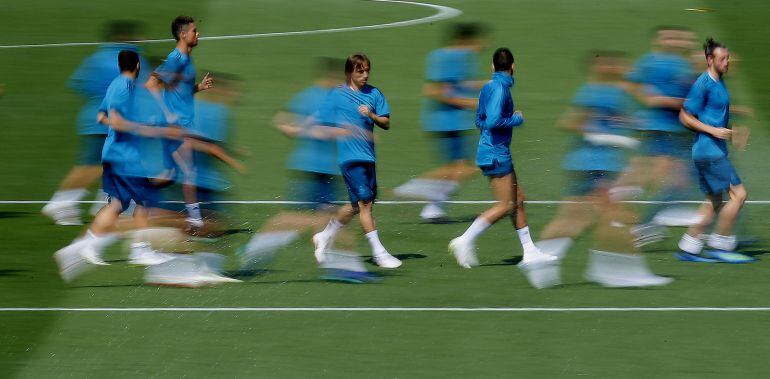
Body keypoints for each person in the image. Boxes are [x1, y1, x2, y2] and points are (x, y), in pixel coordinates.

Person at [536, 52, 672, 288]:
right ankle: (621, 272)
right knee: (618, 215)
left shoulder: (615, 92)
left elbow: (617, 120)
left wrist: (630, 128)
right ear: (600, 66)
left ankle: (543, 262)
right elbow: (568, 122)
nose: (621, 66)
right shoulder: (594, 91)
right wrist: (607, 137)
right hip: (594, 163)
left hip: (598, 164)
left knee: (576, 218)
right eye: (613, 63)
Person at [53, 50, 183, 282]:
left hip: (117, 154)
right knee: (143, 202)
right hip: (126, 157)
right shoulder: (126, 88)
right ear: (138, 65)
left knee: (119, 204)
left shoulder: (118, 85)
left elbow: (102, 116)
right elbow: (119, 121)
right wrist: (155, 131)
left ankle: (87, 246)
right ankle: (140, 249)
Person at [448, 47, 554, 270]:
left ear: (493, 66)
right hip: (496, 154)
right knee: (505, 205)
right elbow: (493, 121)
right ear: (513, 67)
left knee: (518, 200)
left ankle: (530, 252)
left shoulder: (488, 87)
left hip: (494, 151)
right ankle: (464, 240)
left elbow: (480, 120)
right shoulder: (500, 90)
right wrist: (516, 119)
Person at [42, 21, 149, 225]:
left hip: (93, 117)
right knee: (94, 166)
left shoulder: (96, 58)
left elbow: (77, 82)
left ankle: (102, 204)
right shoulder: (135, 59)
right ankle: (61, 202)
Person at [311, 54, 402, 269]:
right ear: (349, 72)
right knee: (366, 204)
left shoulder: (375, 94)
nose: (365, 75)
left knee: (355, 206)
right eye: (360, 71)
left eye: (367, 70)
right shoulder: (336, 95)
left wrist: (371, 115)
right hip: (350, 158)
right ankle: (379, 254)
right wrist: (344, 131)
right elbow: (320, 126)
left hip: (368, 157)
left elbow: (386, 123)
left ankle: (324, 236)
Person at [393, 23, 485, 221]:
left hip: (457, 122)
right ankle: (411, 189)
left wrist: (488, 84)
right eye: (478, 42)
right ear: (464, 40)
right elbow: (434, 91)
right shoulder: (444, 57)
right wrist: (471, 104)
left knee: (462, 168)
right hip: (446, 122)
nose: (480, 47)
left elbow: (458, 84)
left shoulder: (462, 58)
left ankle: (433, 208)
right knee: (462, 168)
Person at [676, 38, 751, 262]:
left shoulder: (719, 81)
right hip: (709, 152)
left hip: (710, 150)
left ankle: (689, 245)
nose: (727, 62)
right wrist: (713, 130)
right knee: (739, 194)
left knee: (714, 201)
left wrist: (732, 131)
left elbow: (714, 116)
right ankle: (720, 242)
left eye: (728, 58)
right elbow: (684, 116)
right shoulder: (704, 84)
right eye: (723, 58)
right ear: (710, 60)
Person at [146, 15, 214, 231]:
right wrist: (169, 114)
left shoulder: (186, 58)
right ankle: (196, 221)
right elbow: (151, 84)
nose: (198, 34)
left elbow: (179, 91)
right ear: (183, 35)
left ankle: (129, 192)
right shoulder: (176, 59)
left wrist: (198, 88)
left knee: (170, 174)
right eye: (194, 31)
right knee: (190, 171)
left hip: (179, 124)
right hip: (175, 127)